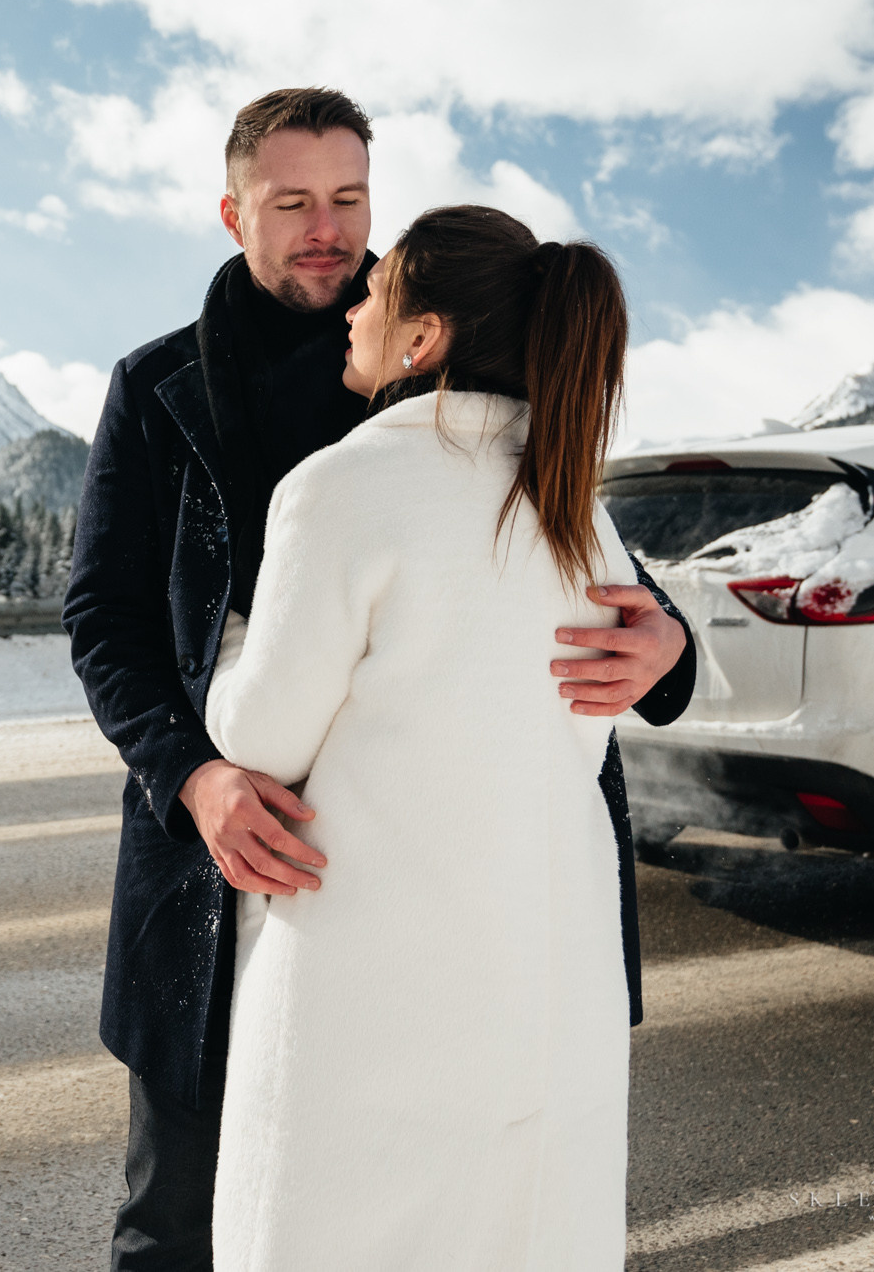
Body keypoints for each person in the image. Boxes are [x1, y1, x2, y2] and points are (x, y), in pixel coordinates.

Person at [63, 88, 694, 1270]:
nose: (326, 230)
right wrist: (193, 776)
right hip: (218, 864)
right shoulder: (159, 390)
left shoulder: (484, 392)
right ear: (231, 211)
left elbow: (610, 582)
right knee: (177, 1224)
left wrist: (671, 647)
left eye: (348, 199)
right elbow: (103, 618)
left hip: (449, 904)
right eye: (291, 201)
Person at [206, 204, 639, 1267]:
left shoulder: (342, 489)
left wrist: (226, 659)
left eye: (379, 282)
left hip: (375, 986)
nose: (354, 298)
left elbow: (262, 732)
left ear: (422, 338)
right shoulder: (575, 500)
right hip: (547, 970)